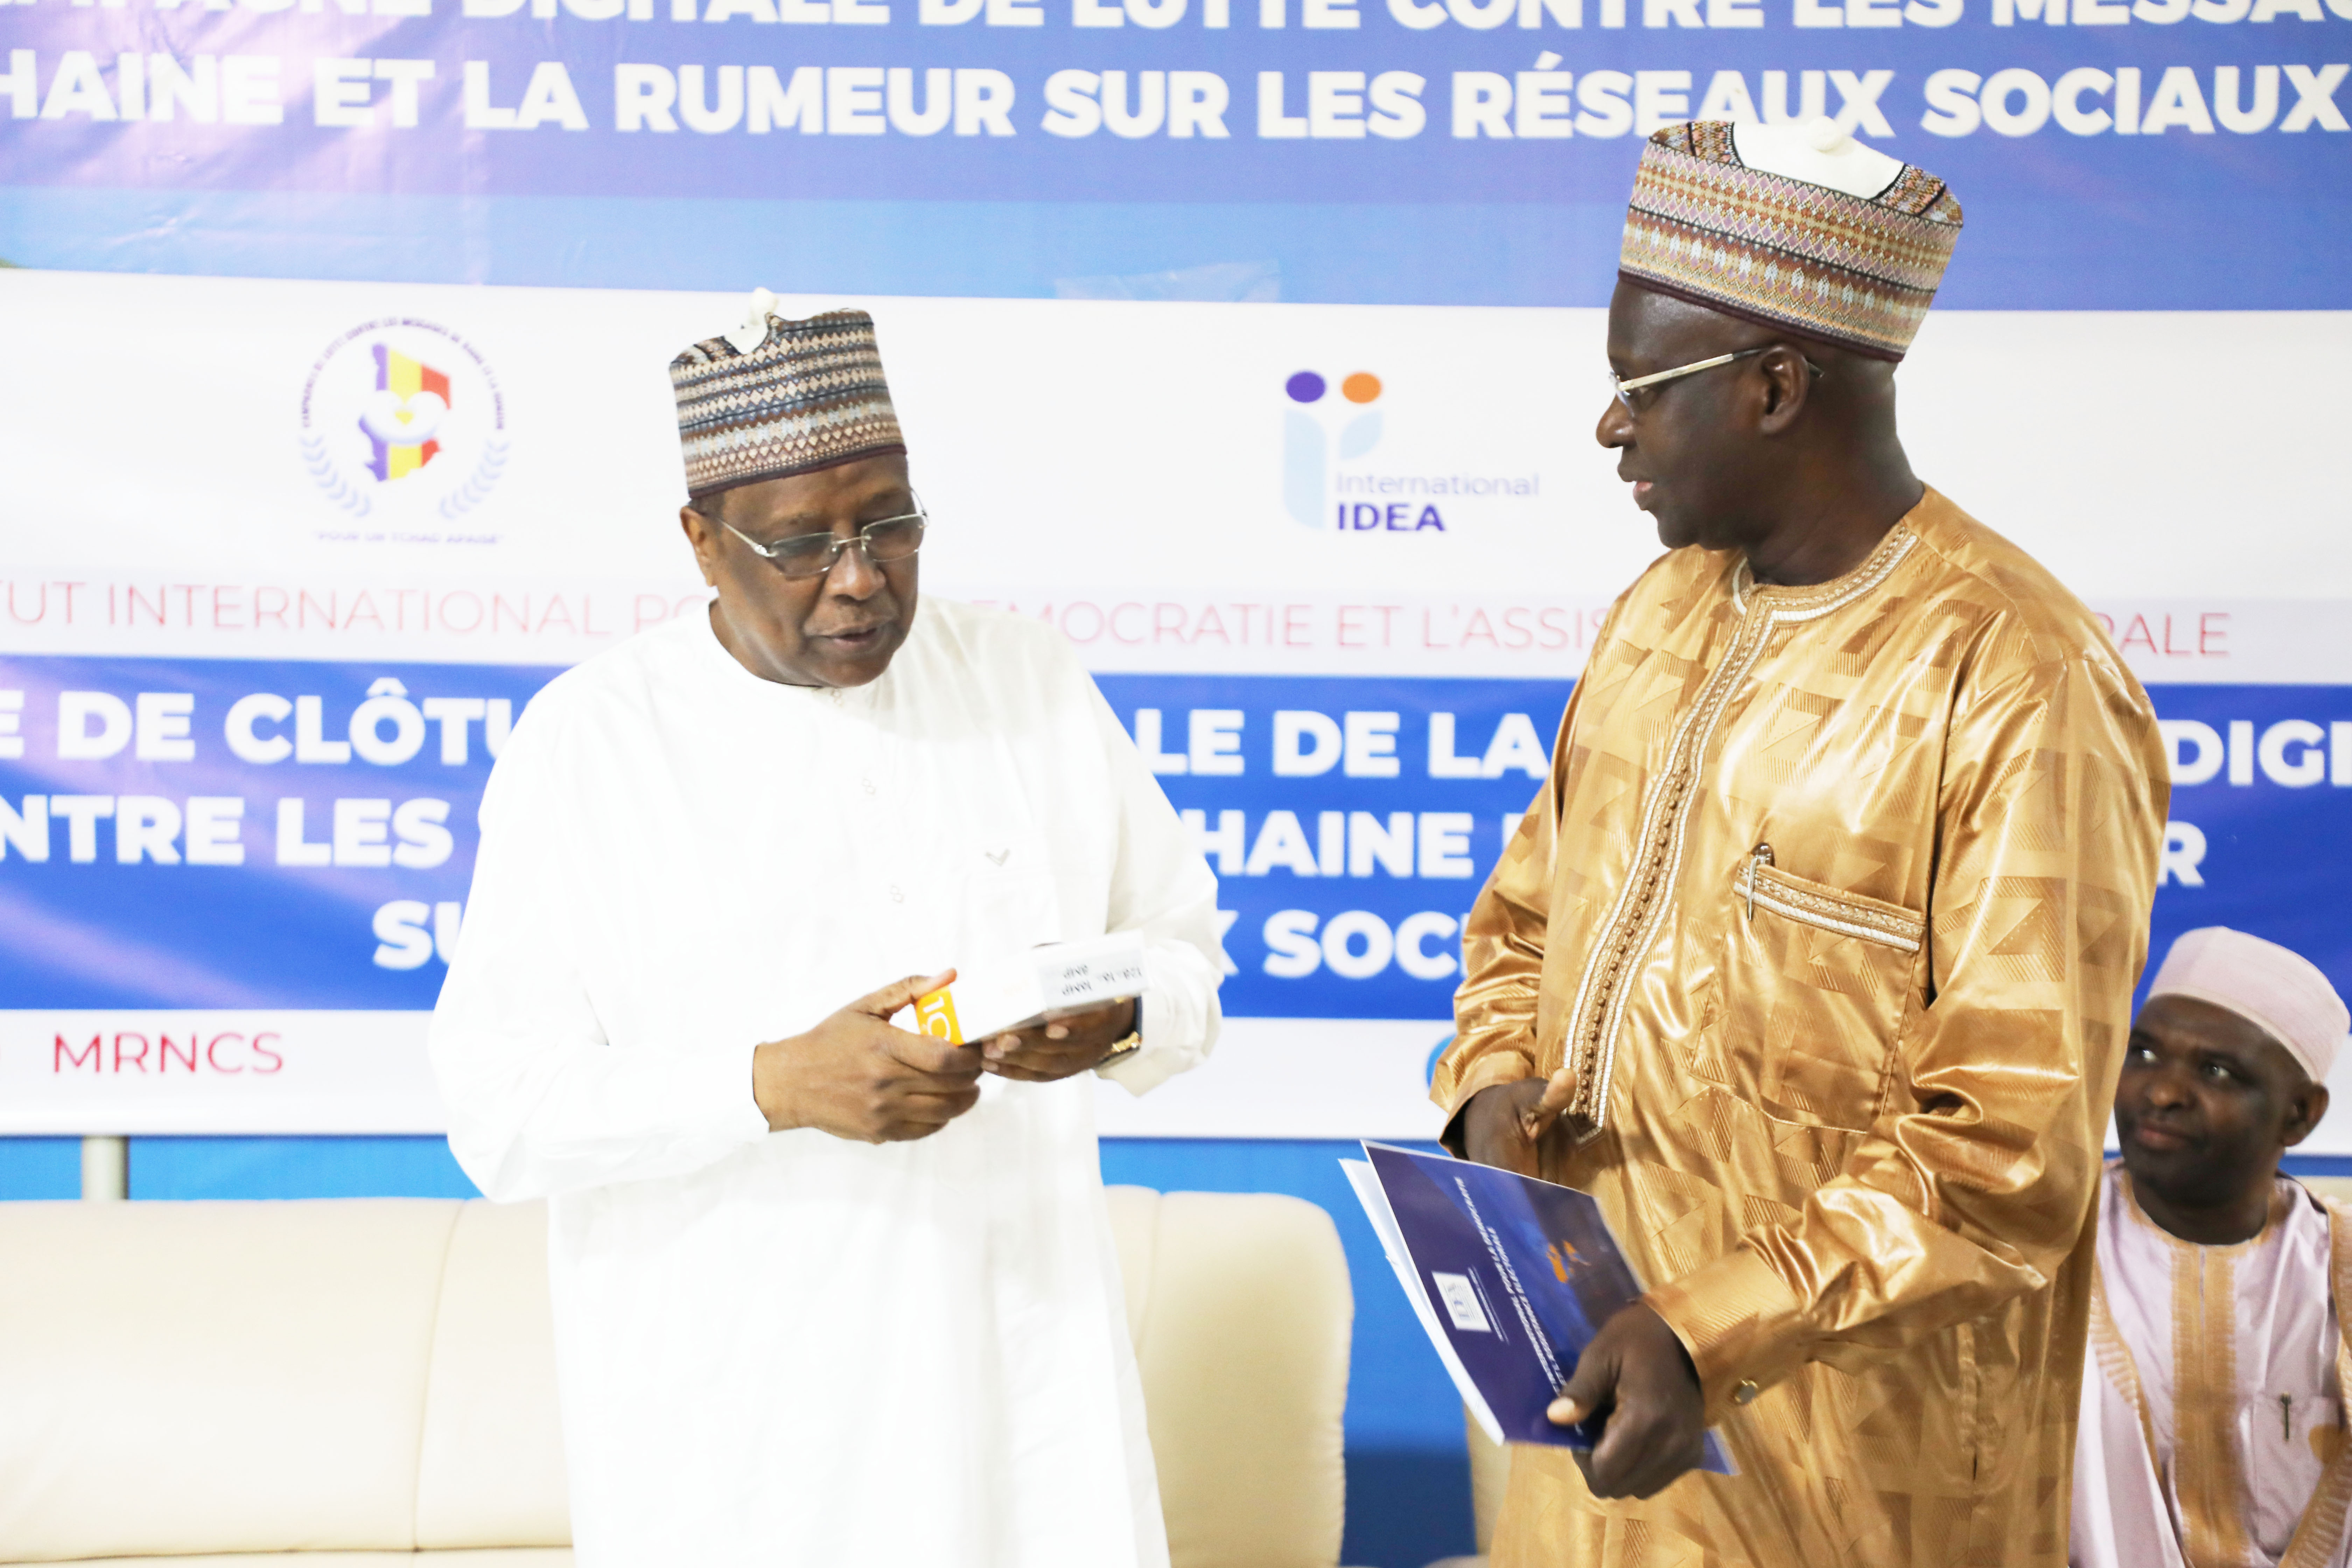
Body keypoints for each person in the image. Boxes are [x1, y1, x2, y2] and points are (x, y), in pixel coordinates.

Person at [1431, 118, 2172, 1565]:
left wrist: (1710, 1328)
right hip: (1599, 1424)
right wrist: (1496, 1086)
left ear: (1776, 388)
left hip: (1856, 1472)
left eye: (1641, 387)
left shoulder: (2017, 676)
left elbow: (2009, 1157)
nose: (1609, 428)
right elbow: (1522, 923)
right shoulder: (1659, 614)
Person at [427, 295, 1224, 1566]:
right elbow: (502, 1111)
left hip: (1030, 1427)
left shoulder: (1027, 683)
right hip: (743, 1460)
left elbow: (1186, 960)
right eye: (802, 545)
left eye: (890, 525)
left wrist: (1118, 1015)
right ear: (701, 543)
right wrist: (773, 1086)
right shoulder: (593, 745)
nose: (860, 577)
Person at [2073, 926, 2352, 1568]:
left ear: (2301, 1115)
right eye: (2143, 1054)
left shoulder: (2341, 1271)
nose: (2162, 1092)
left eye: (2216, 1071)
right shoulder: (2042, 1248)